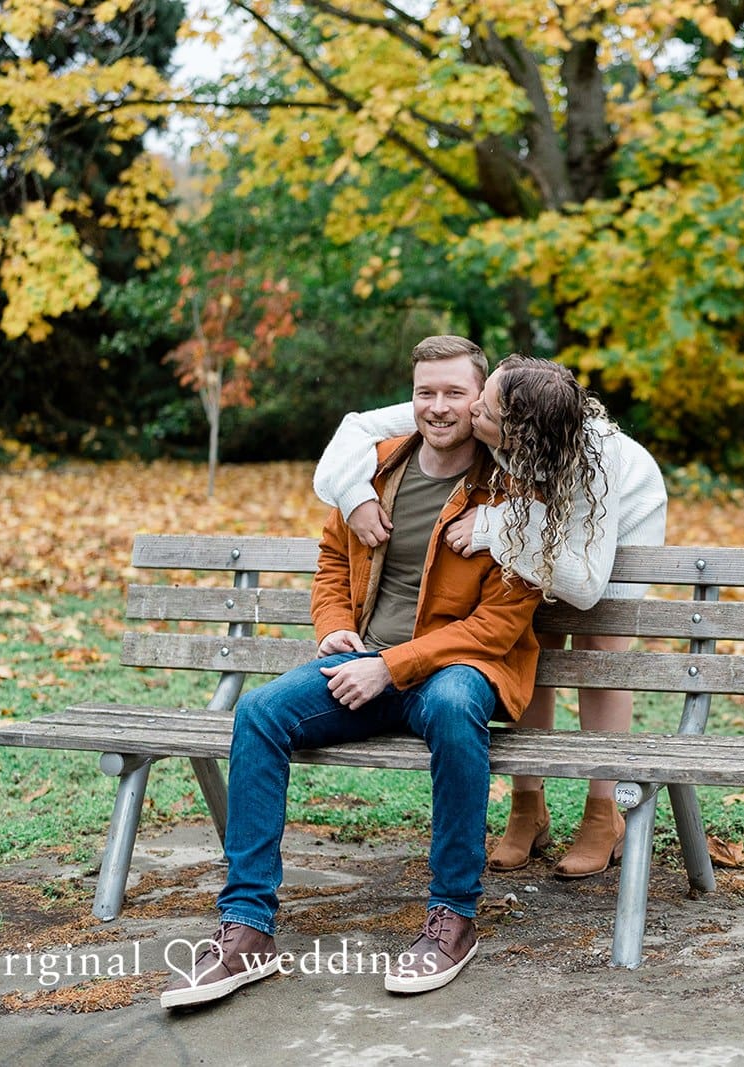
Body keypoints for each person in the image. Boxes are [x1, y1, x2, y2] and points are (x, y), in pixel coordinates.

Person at [162, 336, 542, 1009]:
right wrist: (333, 626)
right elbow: (332, 560)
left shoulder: (512, 491)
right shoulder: (372, 469)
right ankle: (246, 927)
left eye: (455, 392)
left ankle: (452, 917)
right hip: (365, 666)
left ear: (480, 400)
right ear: (412, 395)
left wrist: (389, 666)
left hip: (458, 668)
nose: (438, 405)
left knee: (456, 708)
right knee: (259, 712)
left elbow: (499, 625)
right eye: (427, 391)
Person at [313, 355, 667, 879]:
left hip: (617, 522)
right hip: (532, 517)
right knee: (529, 634)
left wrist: (497, 527)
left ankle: (603, 811)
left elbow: (587, 586)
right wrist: (356, 495)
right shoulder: (496, 404)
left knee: (598, 646)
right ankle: (528, 807)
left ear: (516, 433)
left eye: (480, 408)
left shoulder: (596, 461)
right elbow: (356, 430)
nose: (466, 408)